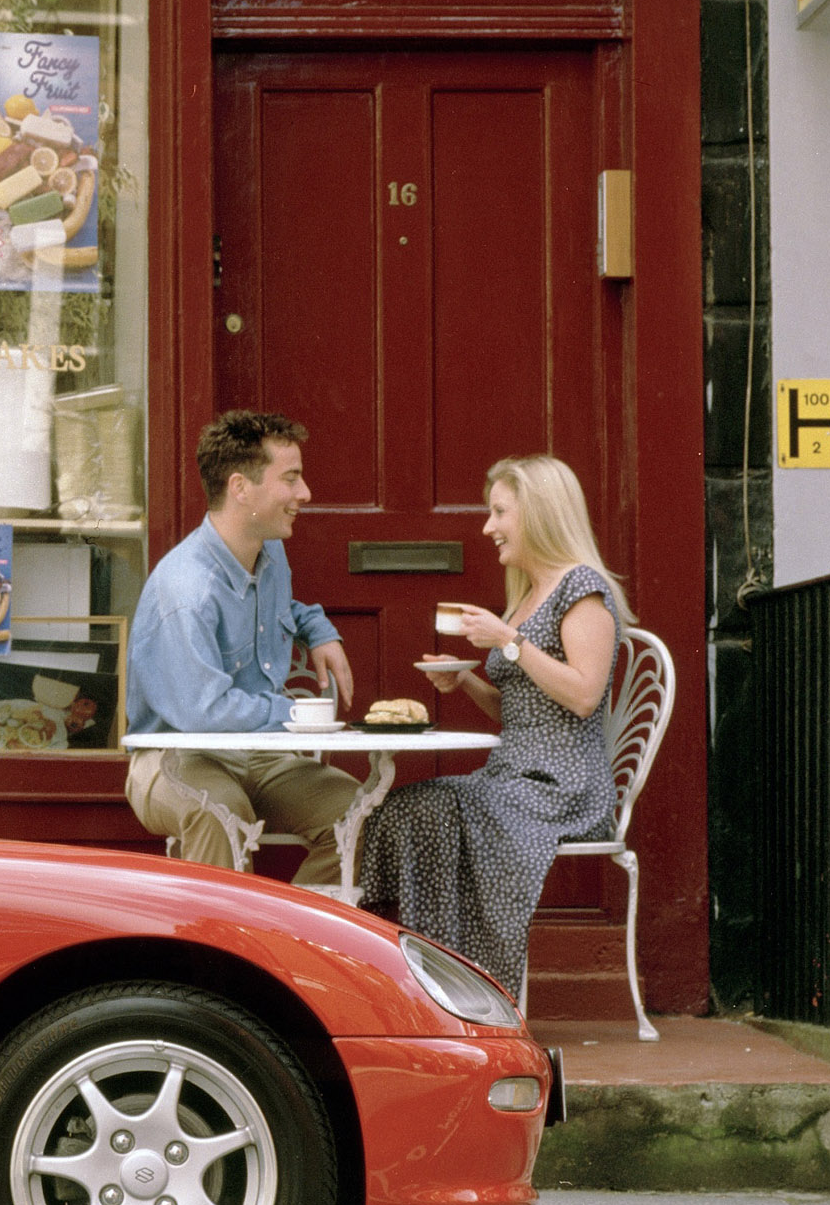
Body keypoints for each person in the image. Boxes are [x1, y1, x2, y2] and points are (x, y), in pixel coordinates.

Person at [358, 455, 624, 995]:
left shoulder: (582, 590)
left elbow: (582, 695)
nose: (488, 526)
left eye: (500, 511)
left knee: (428, 808)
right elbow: (523, 709)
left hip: (562, 787)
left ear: (540, 514)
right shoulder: (529, 595)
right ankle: (429, 971)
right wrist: (467, 684)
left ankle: (463, 984)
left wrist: (508, 640)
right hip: (512, 779)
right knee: (406, 806)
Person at [125, 411, 359, 890]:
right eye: (291, 479)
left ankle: (293, 939)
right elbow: (202, 711)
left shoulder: (267, 549)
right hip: (173, 756)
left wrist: (318, 629)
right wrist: (297, 716)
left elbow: (281, 606)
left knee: (361, 813)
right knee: (220, 814)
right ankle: (222, 959)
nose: (305, 494)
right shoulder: (185, 591)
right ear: (240, 488)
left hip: (257, 754)